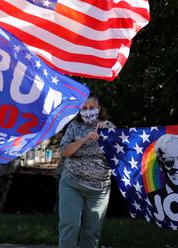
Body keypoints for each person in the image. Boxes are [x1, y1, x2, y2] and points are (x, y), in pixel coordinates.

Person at [58, 94, 115, 248]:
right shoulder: (74, 127)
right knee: (70, 228)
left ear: (99, 109)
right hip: (72, 185)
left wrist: (107, 135)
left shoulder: (109, 128)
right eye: (84, 108)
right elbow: (64, 152)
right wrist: (84, 139)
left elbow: (117, 156)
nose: (88, 111)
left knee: (92, 234)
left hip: (99, 190)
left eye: (92, 108)